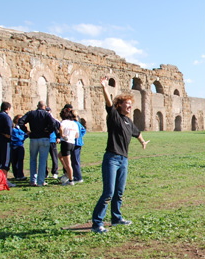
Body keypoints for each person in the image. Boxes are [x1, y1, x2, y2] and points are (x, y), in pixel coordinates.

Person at [91, 76, 149, 234]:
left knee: (119, 192)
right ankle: (97, 223)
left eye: (131, 105)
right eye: (127, 104)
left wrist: (143, 142)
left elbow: (137, 133)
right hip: (112, 158)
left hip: (123, 160)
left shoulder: (129, 122)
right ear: (119, 105)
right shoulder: (114, 117)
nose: (129, 107)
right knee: (108, 192)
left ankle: (116, 219)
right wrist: (104, 88)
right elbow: (109, 105)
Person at [18, 101, 60, 187]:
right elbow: (53, 124)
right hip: (44, 137)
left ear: (37, 106)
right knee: (42, 160)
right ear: (45, 107)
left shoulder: (31, 113)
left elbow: (20, 121)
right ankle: (41, 181)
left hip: (33, 138)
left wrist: (27, 131)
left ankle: (33, 180)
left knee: (33, 159)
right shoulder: (46, 114)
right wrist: (49, 131)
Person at [57, 107, 79, 186]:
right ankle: (67, 171)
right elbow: (77, 135)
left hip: (65, 143)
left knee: (68, 163)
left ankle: (70, 180)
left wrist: (62, 135)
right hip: (72, 143)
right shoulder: (74, 123)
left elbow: (60, 128)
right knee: (59, 156)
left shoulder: (64, 122)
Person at [11, 115, 28, 181]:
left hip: (20, 145)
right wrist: (23, 137)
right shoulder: (13, 128)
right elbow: (16, 137)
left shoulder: (22, 128)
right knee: (14, 161)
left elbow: (25, 134)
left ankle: (20, 174)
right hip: (14, 145)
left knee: (20, 160)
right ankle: (16, 175)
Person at [46, 107, 60, 179]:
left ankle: (55, 172)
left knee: (54, 157)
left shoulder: (54, 120)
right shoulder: (43, 120)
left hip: (52, 140)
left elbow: (59, 128)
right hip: (45, 140)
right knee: (44, 158)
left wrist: (58, 137)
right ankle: (45, 173)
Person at [71, 117, 86, 183]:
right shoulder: (78, 123)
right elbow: (83, 130)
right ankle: (74, 175)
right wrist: (80, 136)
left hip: (75, 143)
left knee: (75, 160)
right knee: (76, 160)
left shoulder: (73, 123)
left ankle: (78, 177)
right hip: (79, 143)